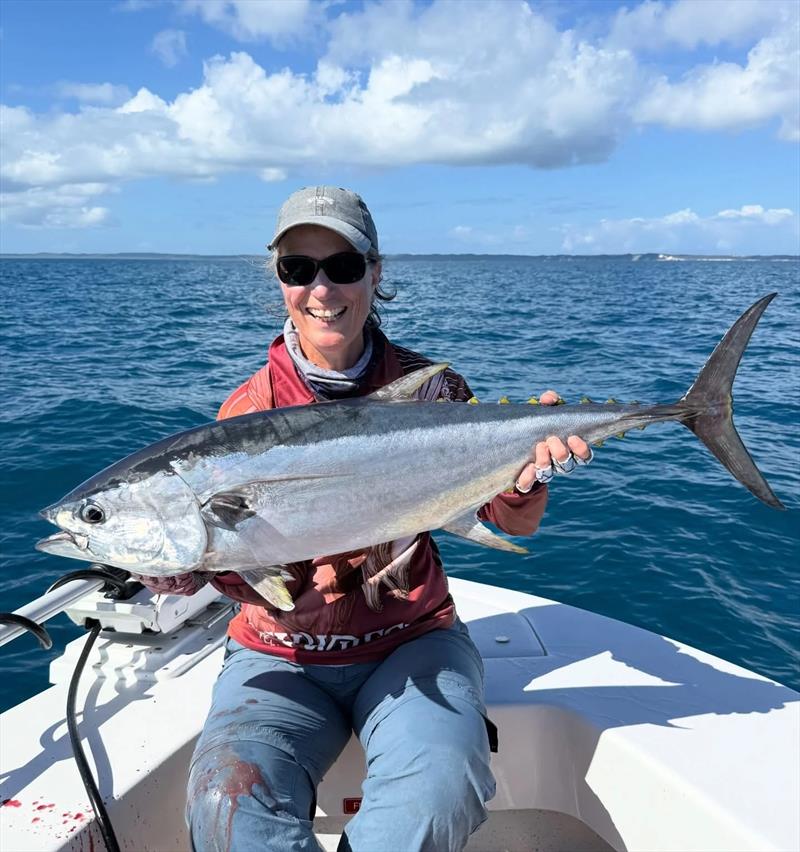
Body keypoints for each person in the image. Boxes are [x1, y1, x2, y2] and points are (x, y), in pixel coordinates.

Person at [135, 186, 591, 852]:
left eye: (343, 266)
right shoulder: (247, 412)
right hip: (280, 657)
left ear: (376, 274)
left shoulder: (433, 388)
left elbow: (510, 523)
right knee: (224, 806)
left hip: (413, 639)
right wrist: (192, 572)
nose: (322, 288)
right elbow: (251, 568)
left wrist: (528, 477)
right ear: (281, 281)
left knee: (440, 788)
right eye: (299, 269)